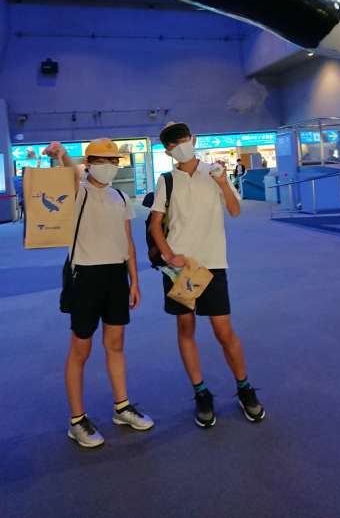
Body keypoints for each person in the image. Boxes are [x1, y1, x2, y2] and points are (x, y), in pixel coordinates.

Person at [150, 122, 265, 428]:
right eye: (173, 144)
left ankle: (244, 387)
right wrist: (169, 255)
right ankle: (200, 391)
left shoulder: (214, 173)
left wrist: (224, 183)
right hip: (180, 268)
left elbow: (235, 211)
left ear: (193, 139)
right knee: (186, 327)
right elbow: (155, 224)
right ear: (167, 151)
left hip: (212, 264)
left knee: (223, 330)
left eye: (183, 139)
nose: (180, 146)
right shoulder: (166, 180)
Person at [44, 138, 154, 448]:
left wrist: (134, 281)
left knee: (115, 344)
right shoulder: (78, 191)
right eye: (101, 161)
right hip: (85, 277)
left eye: (112, 161)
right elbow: (70, 172)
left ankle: (122, 407)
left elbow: (128, 241)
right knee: (81, 348)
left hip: (116, 277)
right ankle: (77, 420)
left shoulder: (120, 196)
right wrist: (62, 154)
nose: (107, 167)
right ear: (89, 163)